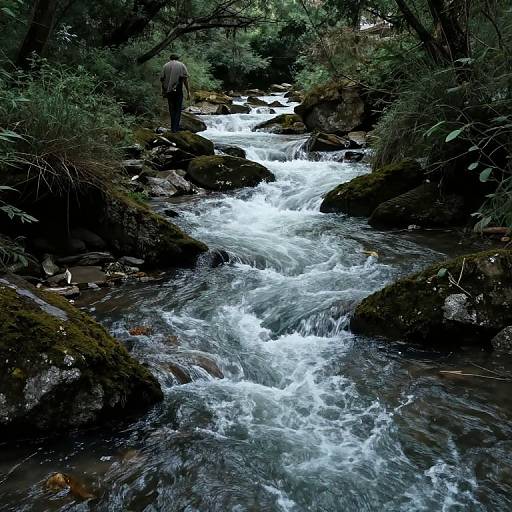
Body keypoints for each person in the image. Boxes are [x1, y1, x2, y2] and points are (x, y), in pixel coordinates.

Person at [160, 54, 190, 132]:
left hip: (168, 91)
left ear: (170, 58)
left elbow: (162, 79)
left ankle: (173, 127)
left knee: (171, 109)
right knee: (178, 109)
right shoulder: (181, 65)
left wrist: (163, 91)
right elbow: (185, 79)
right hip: (178, 89)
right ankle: (175, 128)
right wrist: (188, 91)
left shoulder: (165, 66)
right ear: (178, 58)